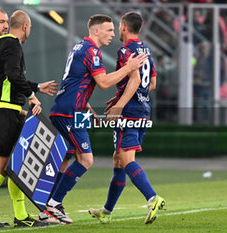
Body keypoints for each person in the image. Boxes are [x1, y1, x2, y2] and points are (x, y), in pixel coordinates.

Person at [42, 14, 147, 224]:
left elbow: (76, 80)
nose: (112, 34)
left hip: (72, 109)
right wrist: (128, 68)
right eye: (109, 30)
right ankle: (52, 206)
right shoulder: (91, 50)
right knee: (86, 159)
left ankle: (50, 206)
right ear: (96, 31)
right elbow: (103, 82)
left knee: (67, 159)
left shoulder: (80, 47)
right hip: (69, 111)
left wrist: (87, 106)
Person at [0, 8, 57, 226]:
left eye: (7, 22)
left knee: (13, 166)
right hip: (2, 113)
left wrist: (17, 107)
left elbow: (2, 81)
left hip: (6, 111)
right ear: (26, 27)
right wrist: (32, 97)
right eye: (1, 21)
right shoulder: (11, 44)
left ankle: (20, 216)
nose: (5, 25)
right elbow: (12, 75)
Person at [87, 11, 165, 225]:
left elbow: (135, 77)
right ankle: (106, 211)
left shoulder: (125, 51)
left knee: (126, 159)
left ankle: (153, 197)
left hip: (130, 112)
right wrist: (123, 97)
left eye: (116, 27)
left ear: (123, 27)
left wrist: (121, 105)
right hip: (144, 109)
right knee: (118, 159)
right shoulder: (146, 50)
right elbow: (152, 84)